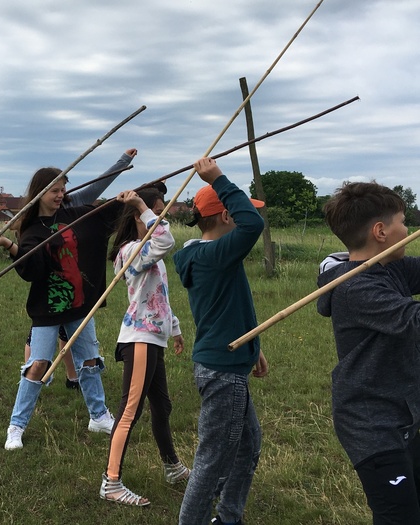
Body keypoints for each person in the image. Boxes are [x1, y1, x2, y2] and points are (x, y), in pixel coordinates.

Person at [0, 148, 138, 450]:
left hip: (78, 303)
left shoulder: (72, 213)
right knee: (38, 364)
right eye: (55, 190)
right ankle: (16, 426)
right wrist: (7, 245)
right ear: (40, 193)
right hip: (48, 307)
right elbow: (32, 269)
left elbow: (99, 202)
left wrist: (128, 194)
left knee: (89, 361)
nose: (61, 194)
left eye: (63, 189)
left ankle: (98, 416)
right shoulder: (31, 230)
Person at [317, 181, 420, 524]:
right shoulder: (356, 287)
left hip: (402, 414)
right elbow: (414, 320)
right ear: (380, 231)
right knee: (399, 516)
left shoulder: (391, 268)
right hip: (371, 424)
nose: (409, 230)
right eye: (403, 222)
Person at [172, 157, 269, 525]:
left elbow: (228, 308)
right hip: (223, 374)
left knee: (248, 446)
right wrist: (218, 179)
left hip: (228, 362)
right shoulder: (215, 255)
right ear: (227, 215)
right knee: (212, 461)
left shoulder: (208, 256)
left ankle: (228, 517)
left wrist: (253, 347)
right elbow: (254, 223)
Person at [99, 187, 190, 507]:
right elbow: (166, 239)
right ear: (139, 216)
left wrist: (174, 328)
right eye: (157, 211)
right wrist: (140, 204)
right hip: (140, 339)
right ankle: (111, 482)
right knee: (129, 411)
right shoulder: (131, 251)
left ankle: (172, 467)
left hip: (153, 337)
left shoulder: (147, 250)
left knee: (162, 407)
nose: (162, 218)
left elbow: (157, 295)